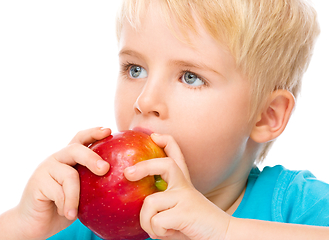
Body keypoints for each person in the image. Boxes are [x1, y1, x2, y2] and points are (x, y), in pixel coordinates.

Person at [1, 0, 328, 239]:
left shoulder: (297, 207)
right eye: (135, 70)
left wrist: (223, 230)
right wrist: (22, 225)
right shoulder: (93, 223)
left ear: (266, 117)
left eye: (190, 77)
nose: (145, 101)